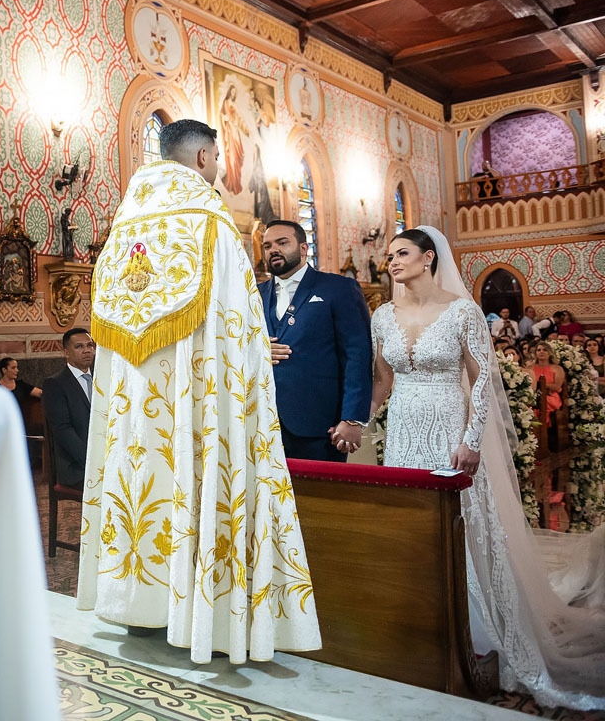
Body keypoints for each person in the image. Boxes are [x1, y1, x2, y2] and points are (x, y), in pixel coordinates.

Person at [78, 118, 320, 663]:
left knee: (139, 480)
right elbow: (242, 333)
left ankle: (137, 603)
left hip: (134, 412)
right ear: (207, 159)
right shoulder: (210, 225)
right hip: (199, 406)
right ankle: (205, 612)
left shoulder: (120, 234)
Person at [368, 226, 605, 709]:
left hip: (450, 431)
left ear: (428, 257)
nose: (391, 262)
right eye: (388, 255)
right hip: (403, 435)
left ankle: (479, 631)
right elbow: (382, 382)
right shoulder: (381, 317)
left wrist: (471, 440)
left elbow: (480, 381)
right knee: (412, 528)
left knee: (464, 527)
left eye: (401, 253)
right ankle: (422, 627)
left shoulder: (461, 311)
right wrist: (356, 421)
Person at [259, 220, 371, 461]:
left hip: (318, 423)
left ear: (303, 248)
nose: (273, 250)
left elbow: (357, 356)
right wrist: (257, 350)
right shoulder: (252, 294)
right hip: (262, 422)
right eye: (267, 246)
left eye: (282, 242)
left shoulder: (338, 288)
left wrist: (352, 419)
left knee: (321, 498)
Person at [42, 328, 96, 488]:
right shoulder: (56, 384)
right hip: (77, 467)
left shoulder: (104, 379)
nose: (87, 350)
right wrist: (92, 462)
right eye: (79, 347)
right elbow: (63, 430)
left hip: (105, 459)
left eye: (90, 345)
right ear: (66, 353)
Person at [529, 341, 566, 421]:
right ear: (535, 353)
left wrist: (540, 385)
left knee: (543, 402)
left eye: (545, 350)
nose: (541, 352)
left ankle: (543, 428)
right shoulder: (530, 368)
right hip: (533, 396)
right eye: (539, 350)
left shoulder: (557, 368)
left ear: (550, 353)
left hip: (550, 396)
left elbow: (556, 386)